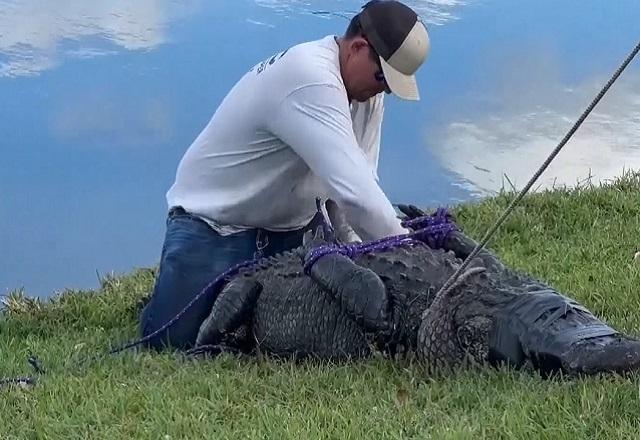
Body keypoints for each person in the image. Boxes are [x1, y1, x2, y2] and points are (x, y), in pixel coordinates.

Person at [139, 0, 432, 350]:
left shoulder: (367, 94)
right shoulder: (310, 78)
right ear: (357, 48)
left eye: (390, 86)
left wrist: (362, 256)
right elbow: (359, 197)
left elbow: (358, 183)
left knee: (309, 337)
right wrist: (415, 260)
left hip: (294, 235)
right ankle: (175, 284)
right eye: (383, 78)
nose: (383, 91)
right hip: (216, 229)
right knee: (173, 342)